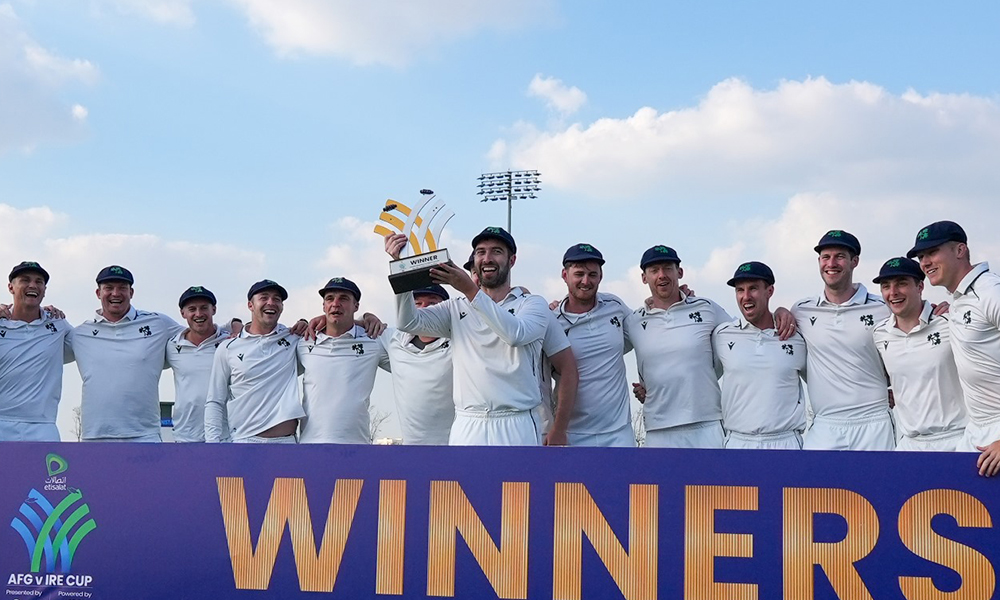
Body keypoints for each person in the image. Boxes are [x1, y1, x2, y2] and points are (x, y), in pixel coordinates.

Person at [387, 226, 576, 446]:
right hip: (468, 423)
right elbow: (408, 322)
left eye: (496, 251)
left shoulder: (532, 304)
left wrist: (470, 290)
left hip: (517, 421)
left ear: (512, 260)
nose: (487, 258)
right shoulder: (455, 308)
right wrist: (401, 268)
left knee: (516, 481)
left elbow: (516, 334)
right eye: (480, 252)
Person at [908, 221, 1000, 474]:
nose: (925, 262)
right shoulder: (958, 299)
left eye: (933, 252)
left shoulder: (990, 292)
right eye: (921, 256)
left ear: (960, 250)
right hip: (976, 432)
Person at [791, 230, 894, 450]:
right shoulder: (801, 310)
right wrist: (780, 311)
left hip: (874, 422)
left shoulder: (883, 308)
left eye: (839, 256)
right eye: (825, 257)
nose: (831, 263)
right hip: (825, 425)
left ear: (854, 261)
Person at [624, 245, 731, 448]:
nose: (662, 275)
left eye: (668, 268)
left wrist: (779, 312)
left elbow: (745, 333)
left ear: (679, 272)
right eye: (654, 271)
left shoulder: (706, 307)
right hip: (659, 428)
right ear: (644, 278)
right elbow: (605, 350)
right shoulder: (633, 321)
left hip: (707, 423)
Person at [68, 265, 183, 442]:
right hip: (95, 436)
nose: (116, 293)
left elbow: (197, 337)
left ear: (131, 292)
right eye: (109, 288)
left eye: (122, 288)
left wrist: (231, 328)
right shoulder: (80, 333)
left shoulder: (158, 323)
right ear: (98, 293)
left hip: (145, 436)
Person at [872, 257, 967, 451]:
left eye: (902, 284)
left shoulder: (950, 321)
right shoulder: (879, 334)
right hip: (910, 444)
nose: (893, 292)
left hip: (959, 439)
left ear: (920, 286)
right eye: (886, 286)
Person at [713, 261, 807, 449]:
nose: (746, 297)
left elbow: (822, 379)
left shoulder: (797, 336)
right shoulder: (722, 334)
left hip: (786, 442)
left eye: (753, 288)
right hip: (738, 442)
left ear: (769, 291)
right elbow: (702, 376)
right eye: (740, 290)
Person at [550, 243, 635, 447]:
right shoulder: (552, 321)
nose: (586, 281)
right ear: (565, 275)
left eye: (592, 274)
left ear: (601, 276)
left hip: (619, 433)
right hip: (571, 434)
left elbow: (648, 336)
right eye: (579, 274)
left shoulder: (615, 306)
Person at [205, 279, 304, 443]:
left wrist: (363, 319)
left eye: (277, 299)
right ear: (251, 305)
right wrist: (213, 446)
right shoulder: (228, 348)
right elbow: (215, 400)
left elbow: (334, 326)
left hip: (286, 443)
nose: (271, 303)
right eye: (264, 297)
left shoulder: (294, 339)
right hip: (245, 442)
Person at [297, 277, 390, 444]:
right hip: (309, 444)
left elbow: (411, 353)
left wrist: (366, 318)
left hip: (357, 444)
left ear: (356, 306)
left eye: (344, 298)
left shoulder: (374, 341)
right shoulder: (303, 342)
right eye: (330, 298)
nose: (336, 303)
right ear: (323, 306)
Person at [0, 262, 72, 441]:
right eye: (25, 280)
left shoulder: (58, 324)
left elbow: (92, 343)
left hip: (43, 427)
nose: (33, 285)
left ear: (44, 290)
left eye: (39, 282)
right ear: (11, 287)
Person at [384, 284, 455, 445]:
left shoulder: (462, 342)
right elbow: (351, 331)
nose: (424, 309)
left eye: (432, 304)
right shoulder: (392, 339)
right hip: (411, 450)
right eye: (417, 304)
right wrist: (364, 318)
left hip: (457, 447)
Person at [165, 286, 231, 443]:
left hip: (225, 436)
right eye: (192, 309)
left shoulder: (230, 342)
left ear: (213, 309)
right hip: (185, 436)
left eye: (204, 308)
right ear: (183, 313)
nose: (199, 314)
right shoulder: (172, 345)